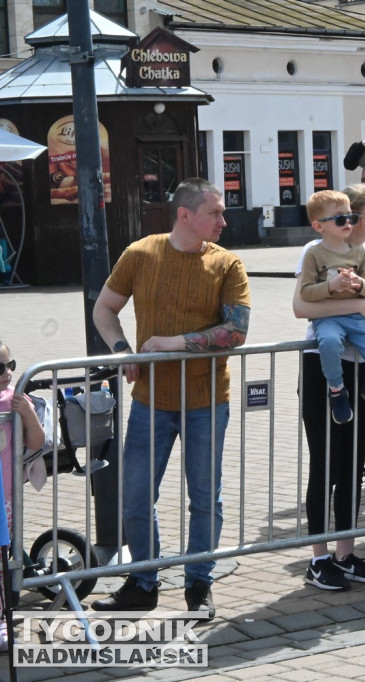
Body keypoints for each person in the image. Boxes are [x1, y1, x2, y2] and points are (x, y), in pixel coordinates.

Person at [91, 178, 251, 617]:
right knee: (138, 495)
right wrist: (123, 351)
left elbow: (237, 332)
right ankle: (143, 582)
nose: (223, 220)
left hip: (207, 399)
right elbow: (104, 308)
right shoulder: (141, 254)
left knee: (205, 498)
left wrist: (174, 341)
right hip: (150, 400)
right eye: (215, 212)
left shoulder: (228, 264)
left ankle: (199, 584)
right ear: (185, 215)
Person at [293, 183, 365, 590]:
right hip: (324, 364)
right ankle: (319, 558)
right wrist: (356, 306)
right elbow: (302, 306)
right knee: (326, 462)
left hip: (363, 357)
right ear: (345, 219)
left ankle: (345, 553)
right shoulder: (315, 250)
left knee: (353, 464)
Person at [298, 190, 365, 424]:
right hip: (328, 324)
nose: (348, 223)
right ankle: (337, 390)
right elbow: (305, 296)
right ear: (319, 226)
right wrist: (332, 286)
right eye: (341, 219)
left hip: (358, 324)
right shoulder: (313, 252)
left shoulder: (363, 254)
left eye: (350, 217)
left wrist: (359, 284)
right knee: (329, 343)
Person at [0, 341, 44, 650]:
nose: (7, 373)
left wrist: (28, 412)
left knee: (2, 560)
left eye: (10, 364)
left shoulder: (15, 399)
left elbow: (37, 440)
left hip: (5, 498)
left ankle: (2, 618)